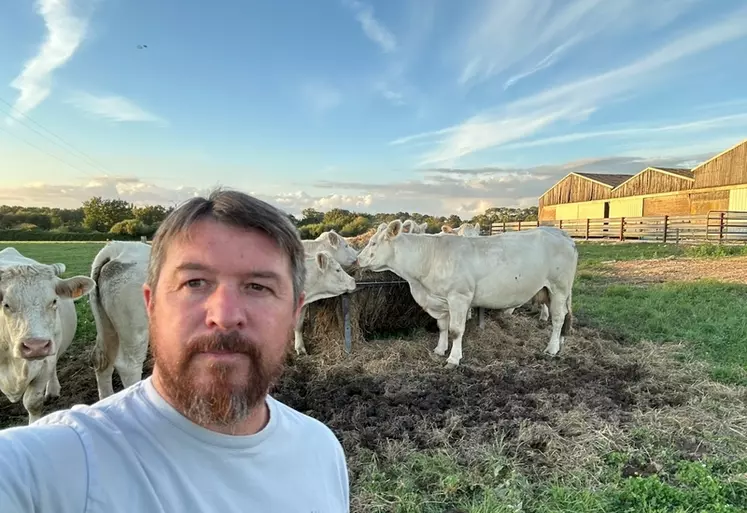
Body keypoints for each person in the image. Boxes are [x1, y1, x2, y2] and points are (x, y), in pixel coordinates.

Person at [0, 188, 350, 512]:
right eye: (194, 283)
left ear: (294, 312)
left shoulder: (322, 451)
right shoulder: (55, 463)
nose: (224, 316)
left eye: (258, 286)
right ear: (151, 305)